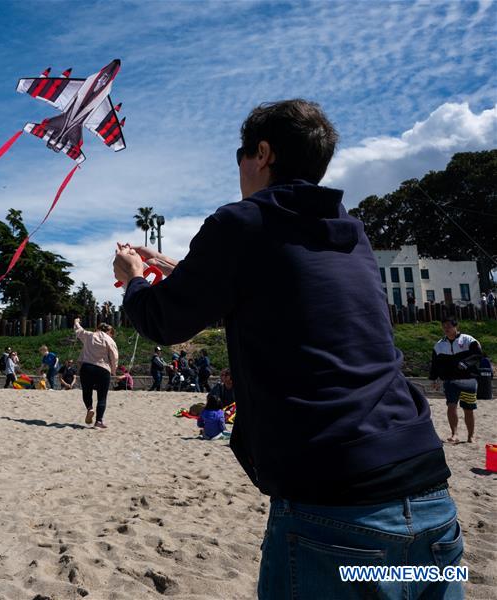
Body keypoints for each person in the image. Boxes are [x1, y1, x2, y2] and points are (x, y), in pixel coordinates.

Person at [114, 99, 460, 598]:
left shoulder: (240, 224)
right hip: (429, 494)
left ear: (262, 152)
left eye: (240, 155)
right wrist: (176, 268)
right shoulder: (349, 229)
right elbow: (276, 281)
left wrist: (131, 281)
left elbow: (161, 321)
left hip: (336, 509)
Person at [429, 316, 481, 444]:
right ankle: (454, 434)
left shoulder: (468, 340)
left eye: (449, 326)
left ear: (455, 326)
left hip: (469, 380)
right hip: (450, 381)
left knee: (468, 409)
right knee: (451, 406)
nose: (446, 328)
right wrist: (434, 379)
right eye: (444, 326)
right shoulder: (439, 345)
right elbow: (435, 364)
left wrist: (466, 363)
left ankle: (471, 436)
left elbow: (478, 355)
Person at [73, 318, 118, 429]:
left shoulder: (89, 335)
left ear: (97, 328)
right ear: (107, 331)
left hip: (87, 367)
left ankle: (89, 408)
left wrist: (76, 321)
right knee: (102, 396)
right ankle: (99, 421)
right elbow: (114, 356)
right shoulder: (110, 340)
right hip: (103, 369)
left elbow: (78, 330)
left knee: (87, 391)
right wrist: (113, 370)